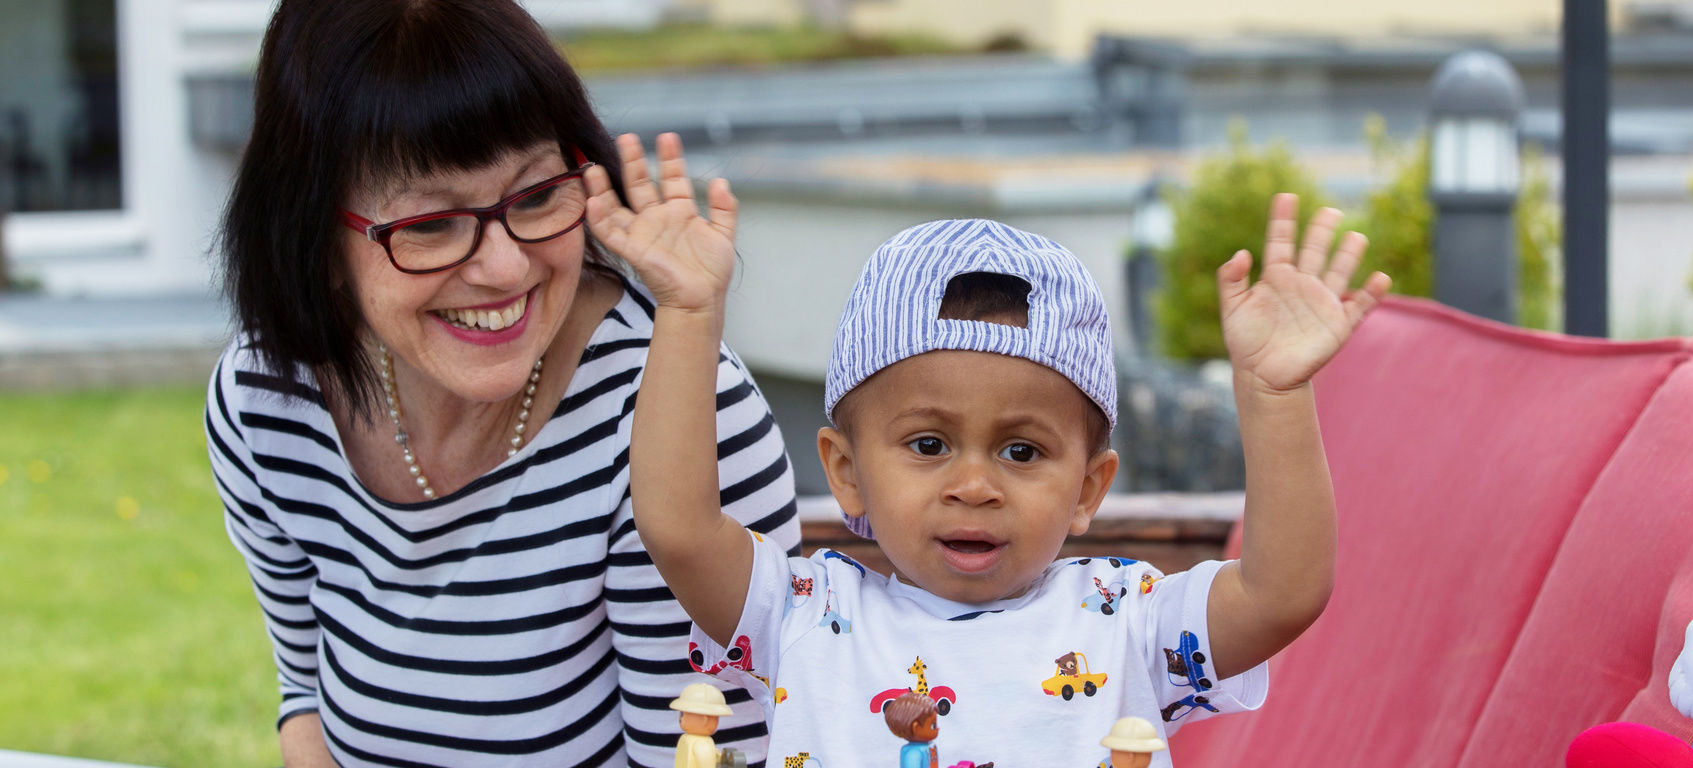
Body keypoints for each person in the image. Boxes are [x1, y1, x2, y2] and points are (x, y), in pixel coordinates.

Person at [619, 125, 1387, 766]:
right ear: (846, 474)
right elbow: (679, 528)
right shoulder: (803, 614)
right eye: (928, 443)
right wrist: (687, 316)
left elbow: (1282, 593)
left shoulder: (1126, 620)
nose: (975, 485)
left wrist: (1276, 397)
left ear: (1089, 488)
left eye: (1022, 452)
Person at [207, 1, 798, 765]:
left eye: (537, 195)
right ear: (313, 232)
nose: (506, 268)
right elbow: (307, 700)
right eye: (429, 225)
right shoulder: (268, 401)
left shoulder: (678, 416)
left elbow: (707, 751)